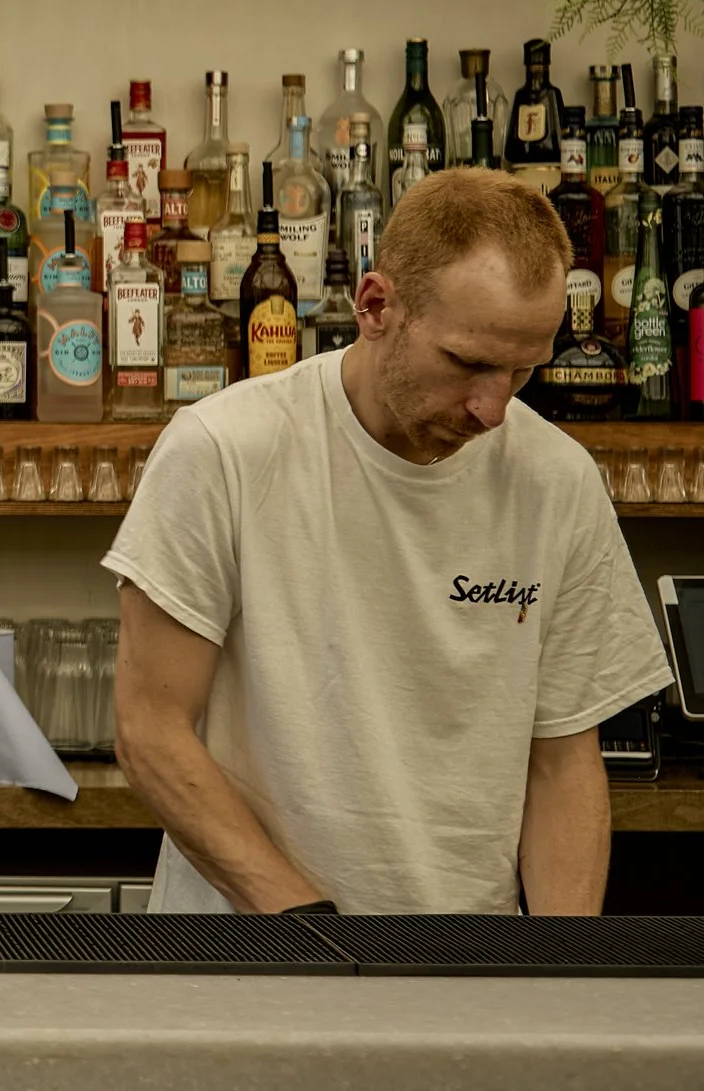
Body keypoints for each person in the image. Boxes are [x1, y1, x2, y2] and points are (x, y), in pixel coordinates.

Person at [106, 167, 668, 915]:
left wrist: (558, 971)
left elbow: (562, 765)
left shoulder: (557, 481)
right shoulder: (224, 450)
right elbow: (150, 729)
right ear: (376, 306)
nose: (494, 407)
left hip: (468, 974)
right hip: (248, 966)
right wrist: (309, 929)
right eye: (468, 362)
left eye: (521, 369)